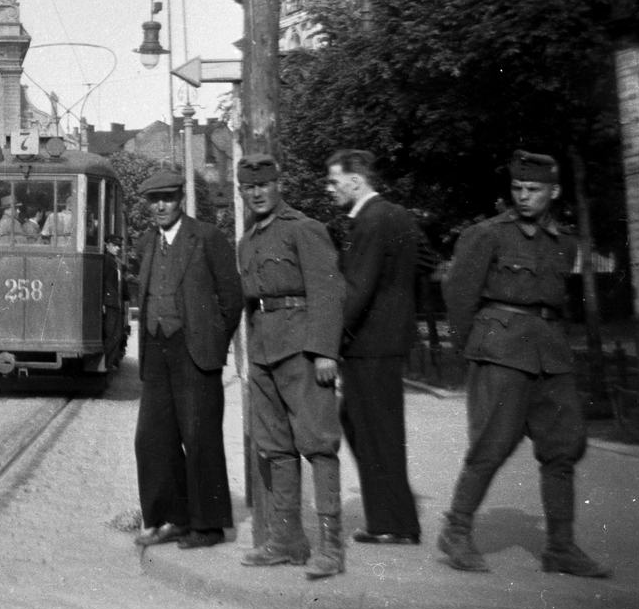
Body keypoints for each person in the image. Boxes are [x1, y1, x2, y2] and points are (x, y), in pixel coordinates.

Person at [438, 151, 609, 577]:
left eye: (533, 189)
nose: (524, 196)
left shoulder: (564, 243)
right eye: (518, 188)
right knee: (490, 447)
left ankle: (561, 547)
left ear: (554, 191)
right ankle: (456, 531)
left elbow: (557, 302)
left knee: (563, 449)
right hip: (500, 350)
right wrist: (472, 349)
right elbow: (459, 295)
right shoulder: (486, 235)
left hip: (550, 354)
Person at [236, 154, 347, 579]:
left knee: (318, 443)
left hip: (302, 350)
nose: (257, 193)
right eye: (249, 187)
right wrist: (248, 361)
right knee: (276, 447)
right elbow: (251, 303)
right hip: (264, 351)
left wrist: (325, 352)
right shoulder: (248, 240)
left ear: (277, 184)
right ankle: (288, 540)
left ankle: (330, 547)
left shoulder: (304, 229)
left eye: (264, 185)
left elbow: (328, 291)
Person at [121, 170, 243, 551]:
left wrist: (212, 341)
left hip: (195, 352)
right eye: (153, 200)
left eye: (167, 198)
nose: (160, 206)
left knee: (200, 437)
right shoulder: (147, 243)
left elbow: (232, 298)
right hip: (157, 351)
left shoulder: (206, 238)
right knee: (151, 439)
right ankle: (170, 518)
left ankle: (209, 526)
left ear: (181, 200)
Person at [325, 149, 423, 546]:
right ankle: (392, 519)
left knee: (371, 431)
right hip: (390, 341)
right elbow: (427, 262)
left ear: (356, 181)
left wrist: (329, 342)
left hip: (367, 345)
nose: (329, 188)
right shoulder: (399, 216)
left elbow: (356, 290)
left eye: (333, 181)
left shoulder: (368, 221)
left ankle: (392, 524)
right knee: (373, 428)